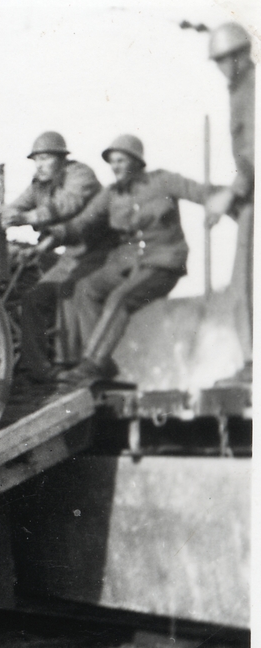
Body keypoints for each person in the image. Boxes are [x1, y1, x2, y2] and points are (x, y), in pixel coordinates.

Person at [46, 135, 217, 384]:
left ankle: (92, 364)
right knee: (85, 289)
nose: (115, 166)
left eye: (121, 161)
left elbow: (199, 192)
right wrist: (54, 234)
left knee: (121, 298)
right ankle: (103, 365)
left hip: (163, 262)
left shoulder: (163, 181)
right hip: (129, 263)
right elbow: (83, 222)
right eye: (112, 162)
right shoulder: (111, 194)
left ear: (137, 162)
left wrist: (228, 198)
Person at [0, 131, 109, 379]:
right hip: (73, 255)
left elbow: (68, 204)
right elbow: (16, 206)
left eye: (45, 158)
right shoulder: (39, 185)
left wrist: (26, 218)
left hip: (104, 252)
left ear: (61, 158)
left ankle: (90, 367)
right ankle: (40, 370)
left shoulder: (80, 175)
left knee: (75, 292)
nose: (39, 165)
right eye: (36, 160)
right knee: (34, 299)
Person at [204, 21, 254, 383]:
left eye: (225, 58)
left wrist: (230, 194)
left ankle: (253, 365)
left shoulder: (251, 90)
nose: (222, 66)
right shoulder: (240, 91)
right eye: (218, 60)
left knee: (248, 281)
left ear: (241, 54)